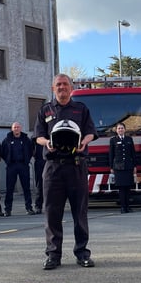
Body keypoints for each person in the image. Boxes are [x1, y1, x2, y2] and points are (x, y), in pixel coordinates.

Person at [34, 73, 97, 270]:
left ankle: (82, 253)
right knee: (52, 212)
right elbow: (38, 136)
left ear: (71, 88)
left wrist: (83, 142)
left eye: (65, 84)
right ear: (53, 89)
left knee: (80, 211)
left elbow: (91, 132)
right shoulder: (45, 110)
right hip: (53, 168)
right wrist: (47, 143)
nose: (62, 87)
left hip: (76, 165)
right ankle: (53, 255)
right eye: (58, 85)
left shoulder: (81, 109)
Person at [1, 122, 35, 216]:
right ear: (12, 129)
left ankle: (29, 208)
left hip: (23, 165)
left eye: (18, 127)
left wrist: (26, 160)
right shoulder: (7, 139)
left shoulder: (26, 139)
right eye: (14, 127)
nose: (16, 129)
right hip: (11, 166)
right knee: (9, 188)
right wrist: (8, 161)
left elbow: (31, 150)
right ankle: (7, 210)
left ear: (20, 128)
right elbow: (3, 152)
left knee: (26, 188)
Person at [109, 122, 137, 214]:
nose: (120, 130)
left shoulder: (129, 139)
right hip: (118, 167)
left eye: (122, 128)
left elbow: (133, 153)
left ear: (125, 129)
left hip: (128, 167)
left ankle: (128, 207)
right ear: (116, 130)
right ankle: (122, 207)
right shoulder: (113, 140)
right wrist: (111, 167)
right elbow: (111, 154)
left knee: (128, 188)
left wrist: (135, 166)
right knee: (121, 188)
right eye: (119, 128)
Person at [32, 136, 45, 214]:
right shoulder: (35, 138)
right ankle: (38, 206)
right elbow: (32, 151)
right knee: (39, 185)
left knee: (53, 186)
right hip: (39, 162)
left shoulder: (52, 136)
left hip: (51, 162)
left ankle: (52, 206)